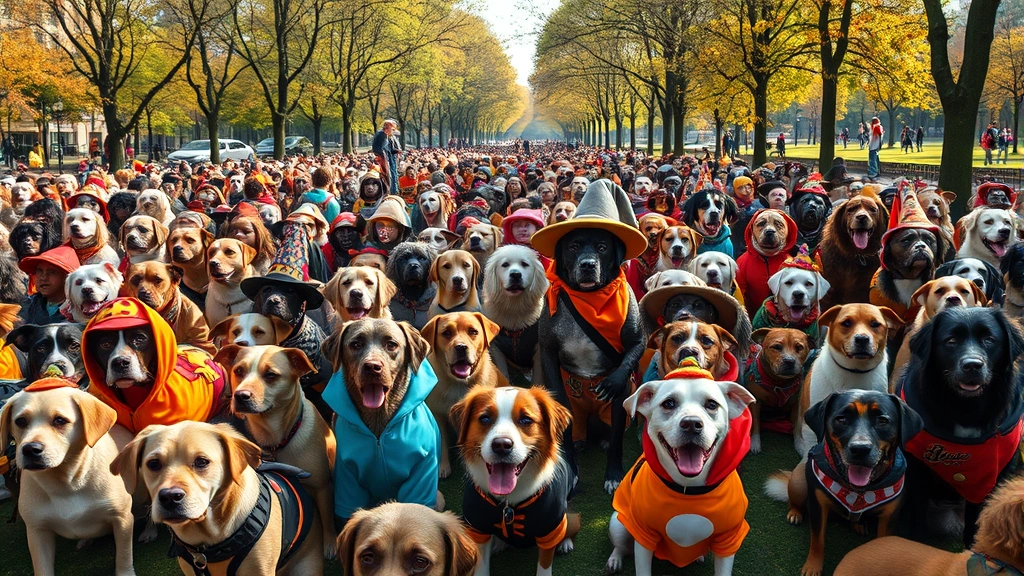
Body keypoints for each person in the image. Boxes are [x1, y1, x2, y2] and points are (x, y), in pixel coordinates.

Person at [372, 119, 401, 196]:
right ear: (388, 127)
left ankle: (393, 191)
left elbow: (390, 150)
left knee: (393, 175)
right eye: (393, 129)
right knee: (388, 175)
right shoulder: (381, 135)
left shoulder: (388, 136)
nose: (393, 131)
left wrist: (397, 151)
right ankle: (388, 192)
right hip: (383, 159)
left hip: (389, 159)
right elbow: (379, 149)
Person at [867, 117, 883, 181]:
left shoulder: (875, 127)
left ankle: (873, 173)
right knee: (876, 159)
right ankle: (877, 171)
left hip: (873, 146)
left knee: (872, 160)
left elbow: (873, 138)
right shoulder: (879, 127)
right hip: (875, 146)